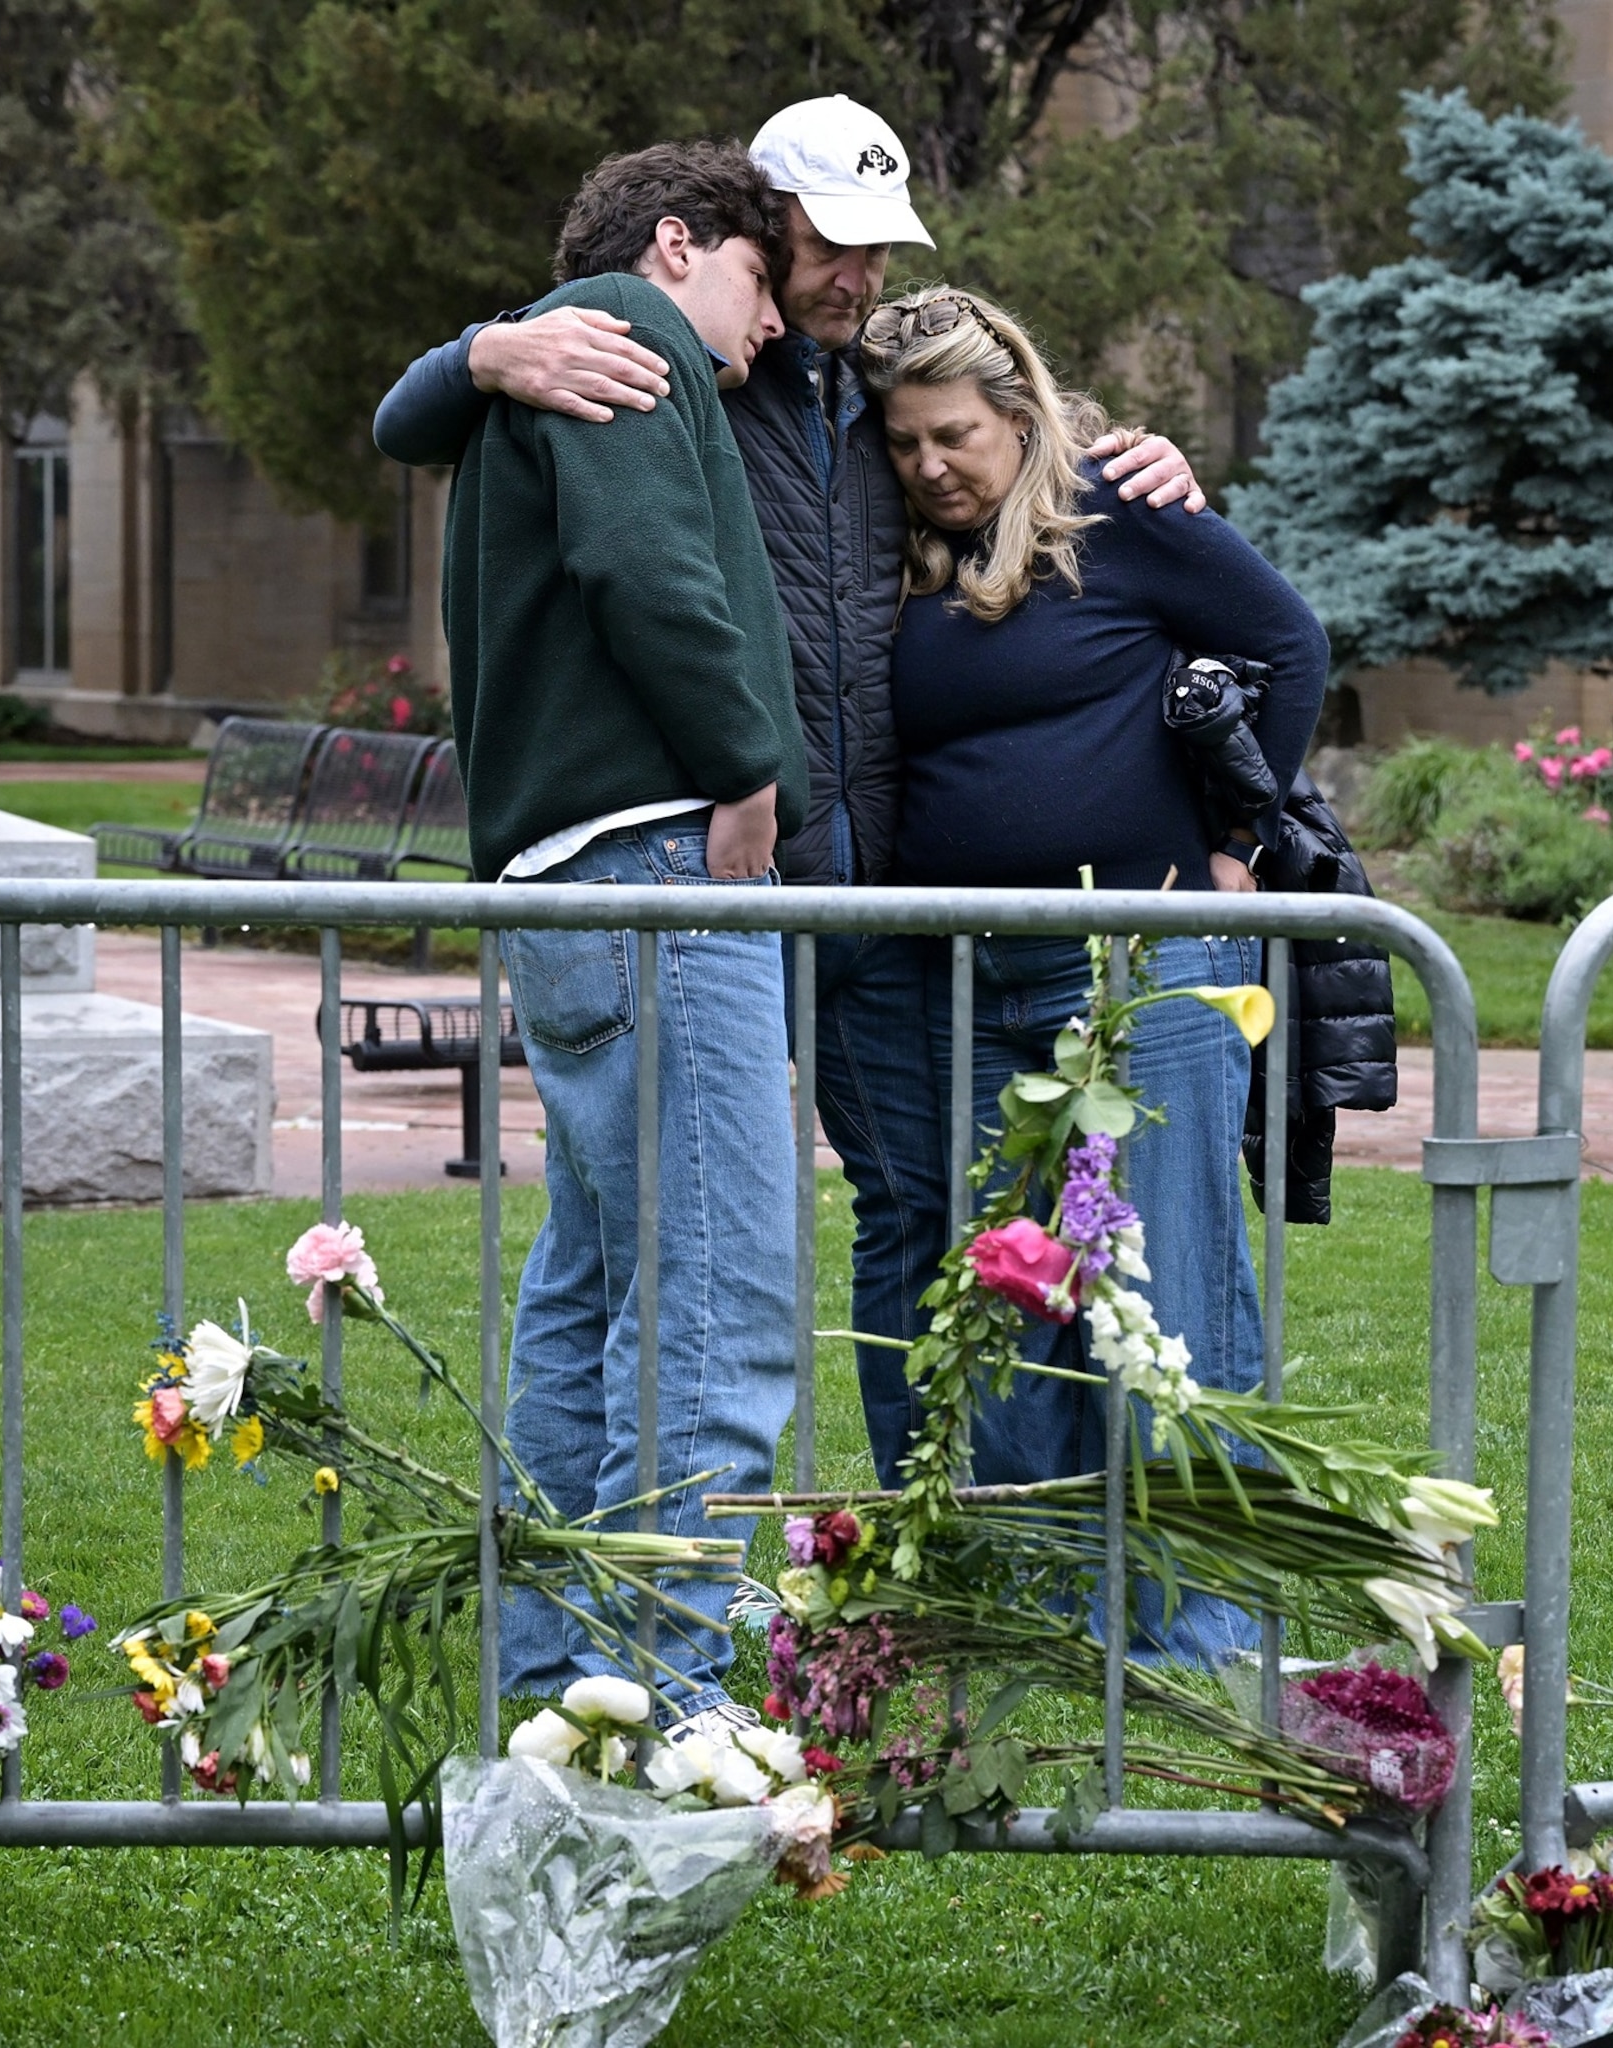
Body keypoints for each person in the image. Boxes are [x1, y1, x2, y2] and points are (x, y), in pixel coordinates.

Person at [376, 97, 1205, 1488]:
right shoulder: (680, 354)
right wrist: (483, 348)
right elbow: (427, 425)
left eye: (883, 253)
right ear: (751, 231)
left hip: (876, 877)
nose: (858, 280)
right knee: (722, 1253)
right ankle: (714, 1609)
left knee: (931, 1210)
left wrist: (1140, 455)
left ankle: (952, 1528)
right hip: (724, 862)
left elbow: (1005, 438)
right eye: (827, 250)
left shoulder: (866, 376)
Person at [854, 285, 1328, 1660]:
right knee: (1001, 1286)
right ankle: (1033, 1607)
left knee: (1164, 1284)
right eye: (904, 443)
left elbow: (1290, 643)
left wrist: (1236, 834)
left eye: (955, 436)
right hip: (963, 977)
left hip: (1141, 964)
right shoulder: (887, 551)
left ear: (1020, 415)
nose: (930, 465)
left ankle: (1195, 1623)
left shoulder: (1125, 512)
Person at [436, 140, 803, 1729]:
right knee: (717, 1306)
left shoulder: (544, 357)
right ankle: (659, 1718)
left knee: (596, 1298)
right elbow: (648, 571)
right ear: (679, 243)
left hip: (565, 881)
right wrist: (746, 774)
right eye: (761, 276)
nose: (777, 320)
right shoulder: (625, 336)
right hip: (653, 867)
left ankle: (554, 1707)